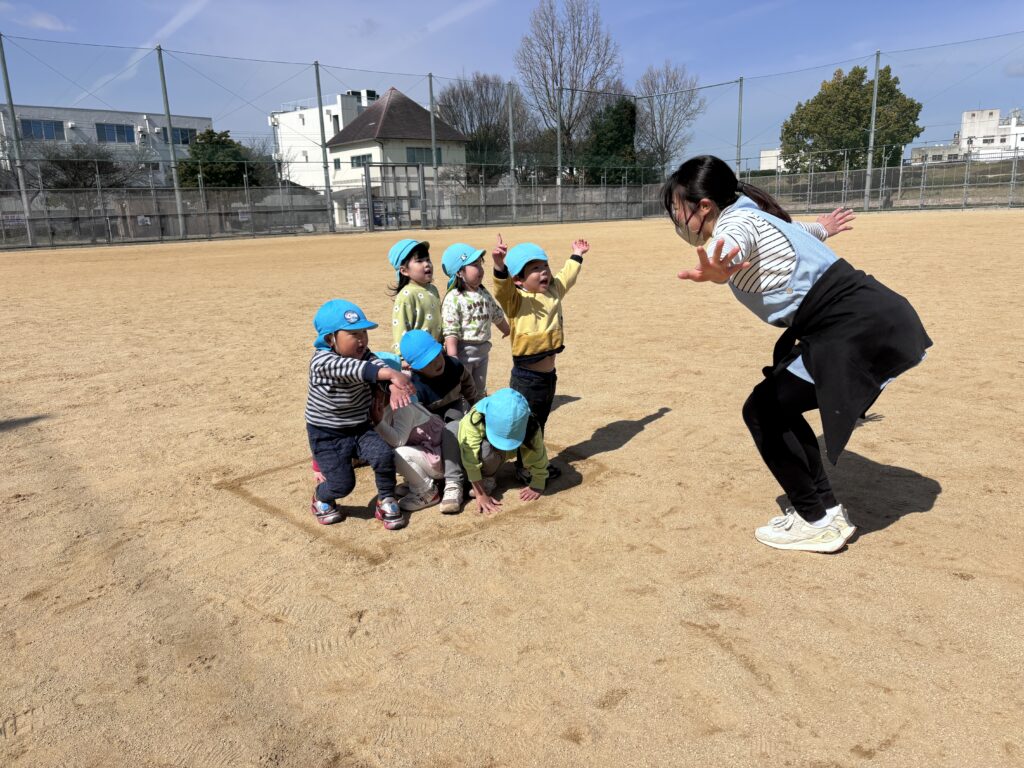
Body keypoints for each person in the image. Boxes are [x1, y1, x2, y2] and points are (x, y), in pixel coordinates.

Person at [665, 154, 931, 553]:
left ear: (704, 206)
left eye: (676, 209)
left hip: (851, 326)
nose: (675, 219)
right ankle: (823, 510)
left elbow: (733, 243)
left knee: (762, 411)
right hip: (864, 316)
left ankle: (817, 520)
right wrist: (821, 228)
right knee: (774, 408)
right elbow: (792, 230)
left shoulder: (733, 224)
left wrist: (722, 267)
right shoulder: (749, 210)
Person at [305, 299, 416, 530]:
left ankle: (386, 499)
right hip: (328, 433)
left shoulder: (364, 355)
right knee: (341, 484)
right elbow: (361, 371)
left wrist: (392, 385)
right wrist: (392, 375)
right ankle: (322, 498)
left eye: (364, 332)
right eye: (354, 334)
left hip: (360, 426)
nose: (362, 339)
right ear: (330, 339)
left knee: (384, 455)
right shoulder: (322, 361)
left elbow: (375, 365)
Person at [491, 234, 588, 483]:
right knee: (528, 422)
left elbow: (567, 275)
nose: (544, 272)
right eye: (535, 269)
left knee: (540, 420)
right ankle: (526, 467)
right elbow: (502, 291)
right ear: (519, 280)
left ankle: (532, 462)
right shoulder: (516, 301)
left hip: (548, 376)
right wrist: (499, 266)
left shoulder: (553, 290)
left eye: (545, 266)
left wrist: (576, 255)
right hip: (526, 377)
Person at [399, 329, 481, 514]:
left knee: (452, 429)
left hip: (453, 409)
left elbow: (468, 385)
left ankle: (454, 482)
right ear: (415, 368)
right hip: (428, 420)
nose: (437, 362)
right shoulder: (414, 387)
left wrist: (475, 404)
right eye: (428, 362)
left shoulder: (454, 366)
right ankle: (424, 480)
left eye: (437, 356)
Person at [371, 353, 444, 513]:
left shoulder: (402, 405)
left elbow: (398, 441)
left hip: (437, 458)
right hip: (425, 453)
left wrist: (377, 422)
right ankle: (415, 481)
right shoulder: (387, 404)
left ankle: (426, 491)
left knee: (396, 453)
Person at [456, 388, 548, 516]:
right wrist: (481, 494)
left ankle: (488, 474)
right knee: (483, 450)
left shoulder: (531, 424)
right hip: (483, 453)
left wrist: (538, 481)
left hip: (499, 456)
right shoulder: (473, 419)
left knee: (494, 451)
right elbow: (470, 457)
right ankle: (484, 477)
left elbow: (536, 450)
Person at [440, 242, 510, 397]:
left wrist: (507, 329)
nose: (480, 269)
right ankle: (464, 415)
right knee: (463, 389)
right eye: (474, 265)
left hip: (483, 350)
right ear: (459, 272)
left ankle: (477, 413)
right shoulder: (454, 298)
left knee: (479, 387)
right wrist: (452, 356)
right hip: (464, 351)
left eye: (480, 264)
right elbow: (451, 328)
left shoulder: (483, 293)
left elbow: (495, 313)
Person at [388, 238, 442, 355]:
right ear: (404, 271)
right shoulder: (406, 295)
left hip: (436, 352)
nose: (427, 264)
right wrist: (402, 356)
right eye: (419, 261)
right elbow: (400, 327)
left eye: (428, 260)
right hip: (418, 355)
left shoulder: (433, 289)